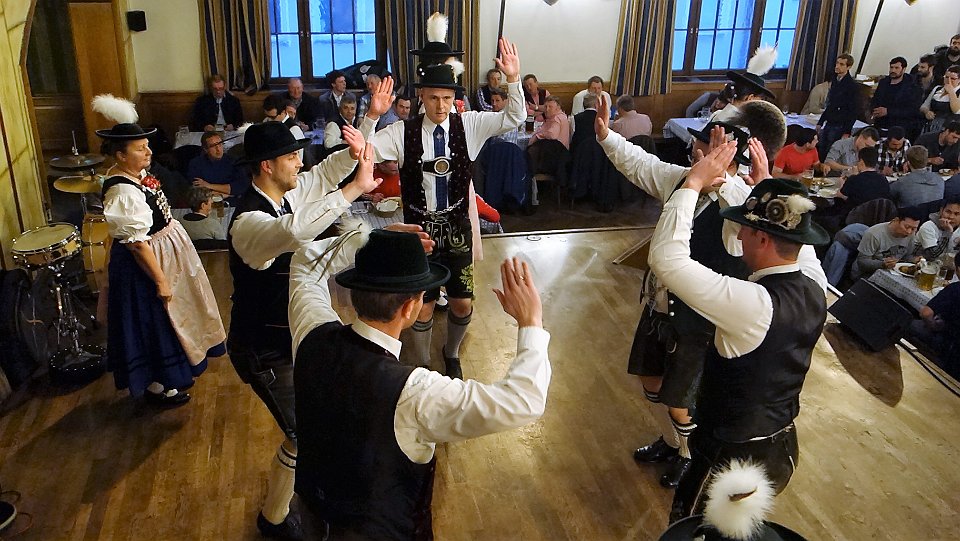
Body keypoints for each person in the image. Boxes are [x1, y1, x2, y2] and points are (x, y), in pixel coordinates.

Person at [595, 95, 828, 491]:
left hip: (700, 323)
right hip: (661, 309)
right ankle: (674, 442)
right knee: (652, 381)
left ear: (727, 151)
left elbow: (672, 258)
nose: (694, 147)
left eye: (705, 142)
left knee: (681, 402)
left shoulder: (742, 202)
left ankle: (687, 454)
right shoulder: (683, 178)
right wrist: (605, 136)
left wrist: (731, 183)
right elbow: (642, 165)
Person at [289, 221, 550, 540]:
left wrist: (371, 240)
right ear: (411, 307)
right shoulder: (414, 393)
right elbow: (525, 400)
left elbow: (304, 262)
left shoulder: (312, 332)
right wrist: (531, 322)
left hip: (313, 514)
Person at [650, 157, 830, 522]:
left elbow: (667, 259)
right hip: (781, 447)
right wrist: (773, 192)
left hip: (730, 458)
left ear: (762, 238)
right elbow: (801, 246)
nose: (737, 236)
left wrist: (692, 184)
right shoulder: (816, 285)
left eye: (743, 229)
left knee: (693, 531)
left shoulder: (753, 305)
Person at [227, 121, 379, 539]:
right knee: (303, 433)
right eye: (291, 156)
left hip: (291, 340)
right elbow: (294, 233)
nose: (299, 162)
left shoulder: (282, 198)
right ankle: (274, 519)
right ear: (266, 165)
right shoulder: (248, 222)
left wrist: (379, 243)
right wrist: (355, 189)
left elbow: (322, 185)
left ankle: (298, 506)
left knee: (315, 425)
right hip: (263, 349)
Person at [366, 29, 526, 379]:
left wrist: (513, 80)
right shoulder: (402, 133)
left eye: (447, 98)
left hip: (457, 229)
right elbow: (363, 151)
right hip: (418, 232)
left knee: (462, 303)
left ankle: (451, 353)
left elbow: (514, 118)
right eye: (434, 97)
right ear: (422, 96)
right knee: (421, 307)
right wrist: (373, 116)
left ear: (455, 97)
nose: (441, 106)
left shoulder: (470, 125)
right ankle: (423, 363)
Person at [93, 94, 226, 406]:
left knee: (166, 319)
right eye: (140, 148)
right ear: (120, 155)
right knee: (153, 321)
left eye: (147, 146)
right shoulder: (123, 191)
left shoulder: (137, 176)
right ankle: (158, 384)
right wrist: (161, 281)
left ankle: (162, 382)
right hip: (143, 266)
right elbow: (137, 244)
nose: (148, 152)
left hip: (162, 251)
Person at [910, 272, 960, 376]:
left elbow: (925, 313)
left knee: (910, 324)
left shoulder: (955, 288)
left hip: (949, 343)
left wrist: (933, 326)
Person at [710, 46, 778, 123]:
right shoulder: (742, 125)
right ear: (750, 98)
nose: (761, 103)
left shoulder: (716, 115)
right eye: (760, 99)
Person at [851, 208, 922, 280]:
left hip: (893, 273)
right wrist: (882, 264)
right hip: (866, 274)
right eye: (906, 227)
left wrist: (914, 260)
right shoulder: (874, 234)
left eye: (913, 229)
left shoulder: (911, 235)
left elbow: (906, 256)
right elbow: (862, 261)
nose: (909, 232)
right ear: (896, 220)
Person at [817, 54, 859, 160]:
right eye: (837, 63)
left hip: (840, 124)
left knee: (830, 151)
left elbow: (853, 110)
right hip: (829, 121)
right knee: (821, 149)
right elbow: (830, 104)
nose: (837, 66)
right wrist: (821, 121)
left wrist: (847, 131)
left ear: (848, 67)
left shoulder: (851, 85)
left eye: (841, 64)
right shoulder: (835, 80)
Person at [188, 130, 246, 201]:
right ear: (205, 149)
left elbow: (240, 187)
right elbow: (199, 192)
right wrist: (228, 193)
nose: (218, 149)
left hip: (232, 202)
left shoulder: (233, 161)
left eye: (220, 144)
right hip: (207, 202)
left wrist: (208, 185)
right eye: (213, 146)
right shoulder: (196, 164)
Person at [871, 57, 921, 134]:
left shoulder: (911, 87)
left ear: (903, 69)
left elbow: (912, 110)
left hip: (898, 126)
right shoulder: (883, 82)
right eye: (891, 67)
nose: (893, 70)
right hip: (879, 123)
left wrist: (888, 111)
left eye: (897, 68)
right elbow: (875, 99)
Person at [919, 65, 960, 135]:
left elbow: (956, 110)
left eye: (953, 78)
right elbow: (924, 106)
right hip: (931, 124)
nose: (948, 80)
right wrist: (927, 112)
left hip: (949, 128)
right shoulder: (937, 88)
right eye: (946, 77)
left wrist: (951, 92)